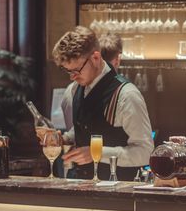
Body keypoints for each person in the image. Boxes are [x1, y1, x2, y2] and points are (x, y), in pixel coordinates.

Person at [52, 26, 152, 181]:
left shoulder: (126, 95)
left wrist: (96, 153)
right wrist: (63, 139)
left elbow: (145, 153)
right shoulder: (74, 89)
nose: (72, 77)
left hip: (118, 193)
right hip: (80, 185)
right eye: (68, 71)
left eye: (77, 70)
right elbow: (86, 128)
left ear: (96, 58)